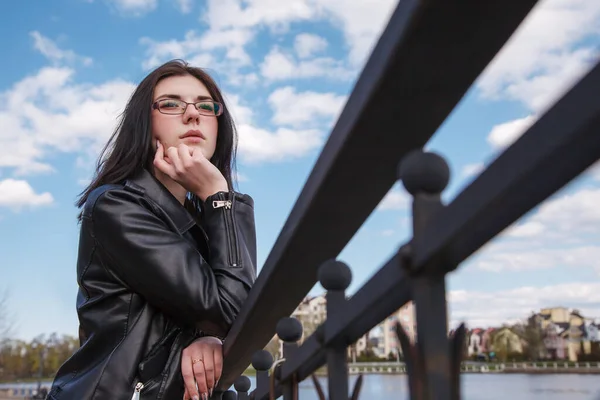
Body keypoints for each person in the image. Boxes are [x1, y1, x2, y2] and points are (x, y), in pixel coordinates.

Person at [46, 59, 257, 400]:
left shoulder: (201, 225)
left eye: (206, 106)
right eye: (171, 104)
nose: (193, 114)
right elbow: (229, 310)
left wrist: (209, 338)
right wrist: (221, 198)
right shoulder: (117, 206)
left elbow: (228, 314)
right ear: (144, 123)